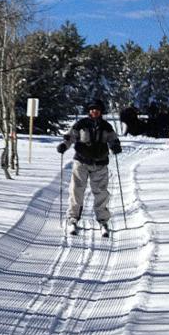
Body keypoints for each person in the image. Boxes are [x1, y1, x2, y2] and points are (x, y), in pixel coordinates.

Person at [57, 98, 122, 236]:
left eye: (97, 109)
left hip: (100, 164)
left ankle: (103, 221)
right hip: (81, 162)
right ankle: (72, 219)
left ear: (101, 111)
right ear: (89, 111)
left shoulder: (106, 126)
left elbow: (113, 139)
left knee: (101, 192)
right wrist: (64, 145)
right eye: (92, 109)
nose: (94, 112)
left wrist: (115, 146)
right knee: (76, 190)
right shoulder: (81, 124)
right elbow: (70, 137)